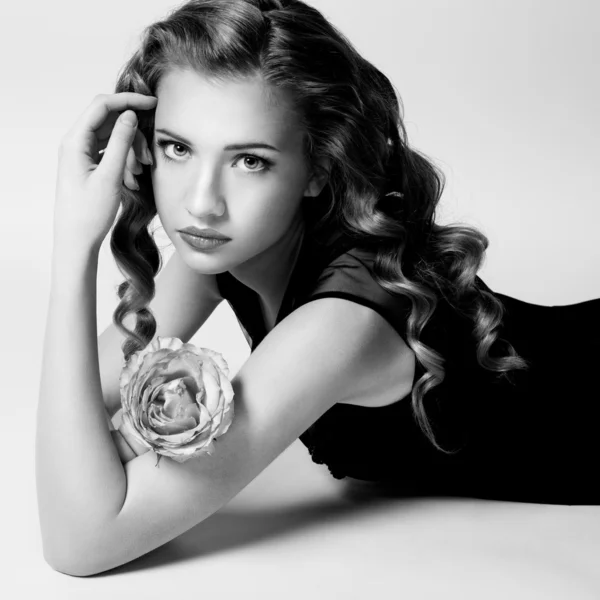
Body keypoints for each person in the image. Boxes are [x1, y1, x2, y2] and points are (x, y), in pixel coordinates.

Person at [36, 0, 599, 576]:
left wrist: (73, 250)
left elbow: (81, 543)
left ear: (319, 169)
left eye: (250, 160)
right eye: (178, 148)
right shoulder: (226, 245)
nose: (200, 202)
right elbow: (87, 393)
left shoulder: (340, 325)